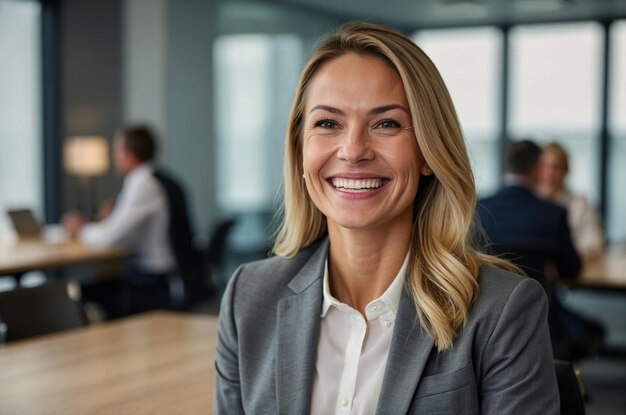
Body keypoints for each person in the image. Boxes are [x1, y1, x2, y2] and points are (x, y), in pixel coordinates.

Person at [214, 22, 558, 414]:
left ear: (429, 151)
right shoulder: (248, 298)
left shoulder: (502, 310)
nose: (353, 149)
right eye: (328, 123)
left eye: (386, 124)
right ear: (299, 150)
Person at [478, 139, 603, 360]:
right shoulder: (553, 214)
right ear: (537, 169)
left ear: (505, 167)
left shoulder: (477, 209)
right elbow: (571, 269)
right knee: (594, 330)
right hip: (541, 319)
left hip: (484, 320)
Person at [62, 125, 203, 315]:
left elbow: (111, 237)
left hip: (154, 282)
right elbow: (127, 229)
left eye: (116, 151)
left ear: (128, 154)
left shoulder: (142, 184)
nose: (114, 157)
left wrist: (81, 229)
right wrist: (110, 218)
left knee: (78, 292)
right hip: (163, 275)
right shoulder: (158, 178)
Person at [537, 142, 604, 263]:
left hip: (570, 272)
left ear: (565, 170)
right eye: (544, 166)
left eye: (556, 167)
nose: (550, 173)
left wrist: (565, 255)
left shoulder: (580, 204)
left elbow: (594, 244)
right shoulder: (527, 202)